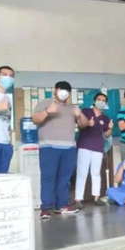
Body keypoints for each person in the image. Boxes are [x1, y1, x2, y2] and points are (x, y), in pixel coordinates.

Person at [32, 81, 90, 219]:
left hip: (69, 148)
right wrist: (48, 111)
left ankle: (62, 205)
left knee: (64, 178)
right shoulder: (45, 103)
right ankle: (46, 207)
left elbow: (84, 125)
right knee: (48, 177)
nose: (64, 92)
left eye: (67, 91)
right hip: (48, 147)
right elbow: (35, 120)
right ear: (55, 90)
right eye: (61, 89)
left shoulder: (72, 108)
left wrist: (80, 114)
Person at [74, 92, 113, 208]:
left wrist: (110, 128)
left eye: (103, 100)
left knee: (96, 173)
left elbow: (106, 135)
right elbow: (80, 125)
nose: (101, 102)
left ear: (106, 104)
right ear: (94, 101)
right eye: (99, 99)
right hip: (84, 146)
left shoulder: (105, 118)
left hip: (98, 148)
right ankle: (78, 199)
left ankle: (96, 197)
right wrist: (88, 123)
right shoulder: (86, 111)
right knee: (82, 172)